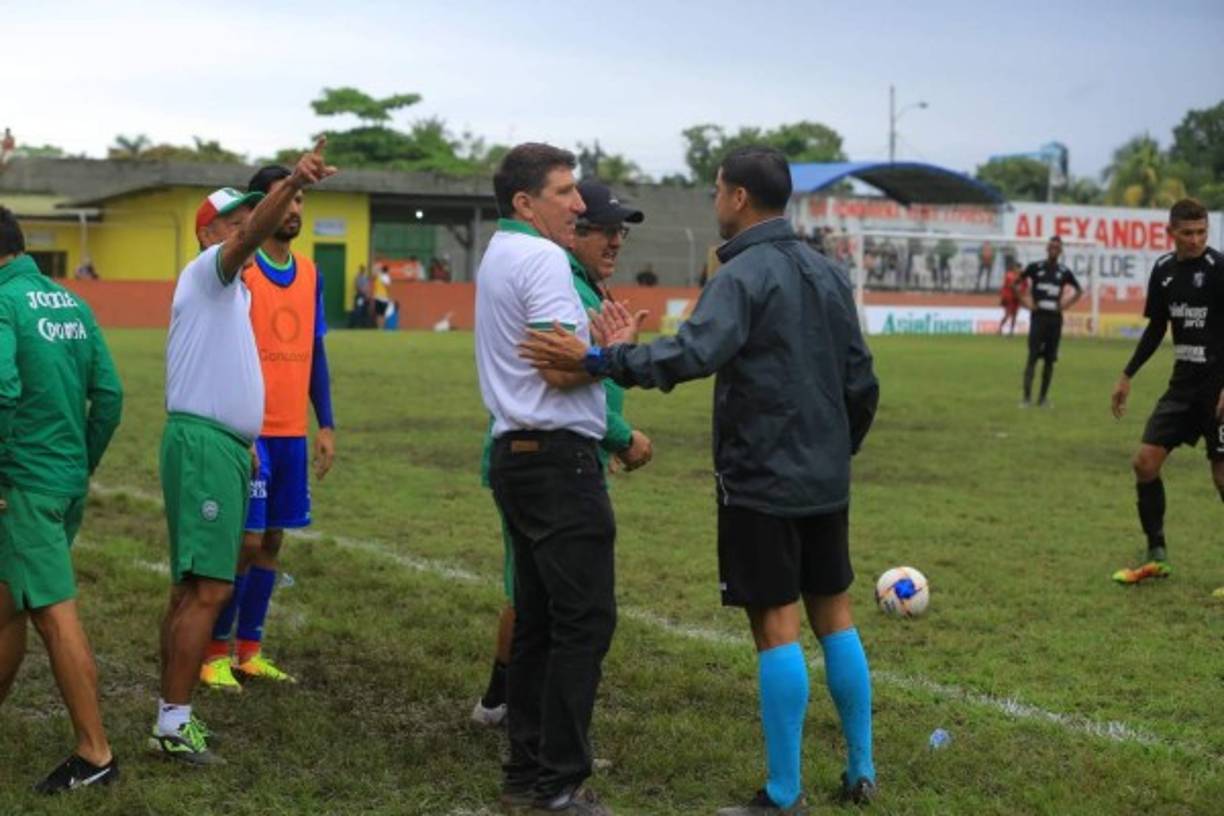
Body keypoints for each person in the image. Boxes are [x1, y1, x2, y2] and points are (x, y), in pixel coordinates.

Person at [520, 145, 881, 812]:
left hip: (762, 479)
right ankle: (861, 770)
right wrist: (836, 450)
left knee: (776, 625)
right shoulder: (829, 274)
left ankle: (782, 794)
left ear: (739, 198)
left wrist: (602, 357)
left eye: (716, 190)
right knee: (835, 616)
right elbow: (864, 381)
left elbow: (691, 354)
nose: (714, 201)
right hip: (824, 480)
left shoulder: (741, 276)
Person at [151, 140, 335, 765]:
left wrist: (245, 437)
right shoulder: (209, 271)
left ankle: (169, 711)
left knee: (191, 589)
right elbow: (253, 233)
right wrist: (293, 183)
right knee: (206, 588)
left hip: (223, 445)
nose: (247, 229)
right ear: (211, 235)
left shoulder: (232, 292)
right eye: (236, 223)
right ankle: (175, 725)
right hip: (204, 445)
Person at [471, 179, 652, 732]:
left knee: (542, 603)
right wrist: (620, 433)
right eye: (601, 229)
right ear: (572, 231)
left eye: (620, 231)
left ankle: (523, 738)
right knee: (546, 607)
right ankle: (516, 720)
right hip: (548, 458)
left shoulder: (584, 286)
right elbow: (556, 371)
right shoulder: (558, 279)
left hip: (560, 451)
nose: (615, 241)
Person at [474, 143, 618, 815]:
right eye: (565, 192)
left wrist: (585, 342)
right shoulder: (542, 258)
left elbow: (550, 354)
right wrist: (611, 351)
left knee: (535, 623)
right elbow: (562, 371)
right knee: (583, 622)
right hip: (559, 462)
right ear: (527, 203)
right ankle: (560, 785)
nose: (580, 204)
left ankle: (526, 775)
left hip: (516, 455)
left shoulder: (499, 253)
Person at [0, 206, 123, 793]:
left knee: (52, 613)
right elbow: (111, 393)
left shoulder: (2, 303)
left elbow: (0, 388)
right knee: (6, 602)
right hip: (64, 481)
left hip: (22, 487)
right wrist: (83, 462)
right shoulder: (71, 302)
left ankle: (94, 752)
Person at [199, 164, 336, 692]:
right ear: (259, 212)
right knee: (245, 542)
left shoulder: (310, 273)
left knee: (274, 540)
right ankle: (212, 651)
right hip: (247, 431)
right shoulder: (238, 270)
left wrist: (325, 423)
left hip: (290, 432)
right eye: (286, 199)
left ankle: (249, 651)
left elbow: (315, 350)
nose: (295, 210)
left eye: (301, 200)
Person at [1109, 198, 1224, 589]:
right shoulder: (1163, 271)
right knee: (1144, 463)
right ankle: (1156, 554)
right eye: (1188, 233)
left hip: (1218, 389)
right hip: (1183, 386)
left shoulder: (1219, 268)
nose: (1196, 240)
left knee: (1222, 477)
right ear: (1171, 232)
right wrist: (1127, 375)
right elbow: (1158, 327)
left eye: (1202, 232)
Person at [1017, 235, 1082, 407]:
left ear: (1060, 250)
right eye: (1051, 246)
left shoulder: (1064, 271)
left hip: (1054, 319)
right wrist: (1026, 303)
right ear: (1047, 248)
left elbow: (1079, 290)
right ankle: (1026, 398)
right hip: (1038, 318)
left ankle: (1043, 398)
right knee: (1032, 358)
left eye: (1057, 247)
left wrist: (1065, 304)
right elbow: (1016, 284)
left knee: (1049, 360)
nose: (1054, 249)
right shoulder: (1035, 267)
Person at [998, 259, 1026, 336]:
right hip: (1009, 297)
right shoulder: (1009, 275)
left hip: (1017, 298)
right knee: (1007, 314)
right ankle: (1000, 329)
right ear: (1014, 268)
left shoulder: (1022, 277)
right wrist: (1018, 287)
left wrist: (1022, 292)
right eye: (1017, 268)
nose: (1018, 270)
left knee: (1015, 315)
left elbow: (1025, 286)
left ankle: (1011, 332)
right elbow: (1011, 285)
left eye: (1019, 268)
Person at [372, 264, 392, 329]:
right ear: (387, 271)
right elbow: (387, 287)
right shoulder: (386, 277)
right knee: (384, 314)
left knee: (378, 314)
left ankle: (379, 328)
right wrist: (390, 296)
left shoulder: (378, 277)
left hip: (377, 297)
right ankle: (383, 327)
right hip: (384, 298)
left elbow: (375, 286)